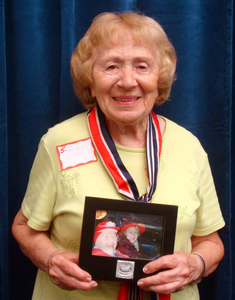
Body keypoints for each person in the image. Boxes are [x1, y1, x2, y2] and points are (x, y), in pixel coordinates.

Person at [11, 11, 225, 300]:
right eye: (111, 67)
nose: (127, 81)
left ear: (159, 76)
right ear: (90, 77)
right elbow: (25, 227)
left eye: (142, 66)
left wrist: (195, 265)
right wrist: (50, 259)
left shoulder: (189, 147)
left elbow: (210, 241)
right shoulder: (58, 142)